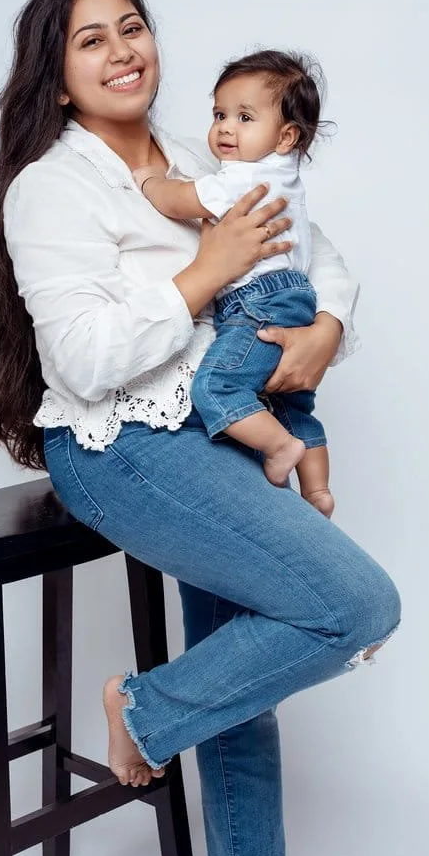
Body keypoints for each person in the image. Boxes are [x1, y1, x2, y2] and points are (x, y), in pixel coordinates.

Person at [0, 0, 401, 856]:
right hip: (116, 447)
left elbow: (318, 257)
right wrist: (202, 272)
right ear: (57, 78)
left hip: (212, 437)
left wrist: (325, 327)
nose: (123, 51)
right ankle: (144, 709)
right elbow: (87, 359)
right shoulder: (47, 190)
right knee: (351, 604)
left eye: (132, 27)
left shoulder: (206, 159)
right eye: (91, 39)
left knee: (246, 653)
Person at [132, 48, 335, 515]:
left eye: (245, 117)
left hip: (257, 302)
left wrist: (149, 182)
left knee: (216, 389)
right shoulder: (285, 177)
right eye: (220, 114)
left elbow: (183, 200)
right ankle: (319, 489)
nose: (225, 128)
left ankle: (281, 449)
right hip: (295, 300)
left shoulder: (243, 179)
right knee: (292, 403)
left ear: (286, 136)